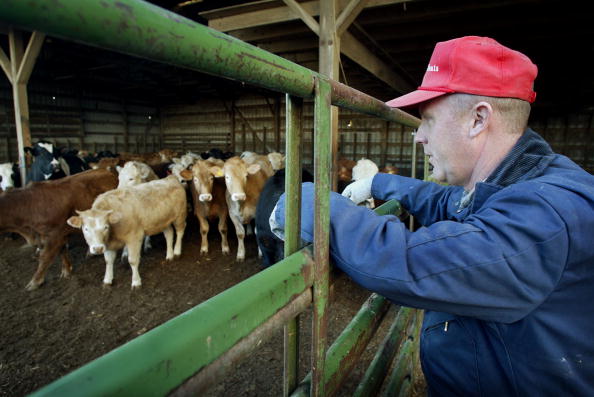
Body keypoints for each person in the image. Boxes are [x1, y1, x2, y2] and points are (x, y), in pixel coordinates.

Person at [271, 36, 594, 396]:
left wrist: (307, 202)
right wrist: (379, 183)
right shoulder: (528, 181)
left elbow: (410, 262)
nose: (418, 137)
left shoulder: (547, 217)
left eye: (427, 120)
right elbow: (453, 203)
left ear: (478, 119)